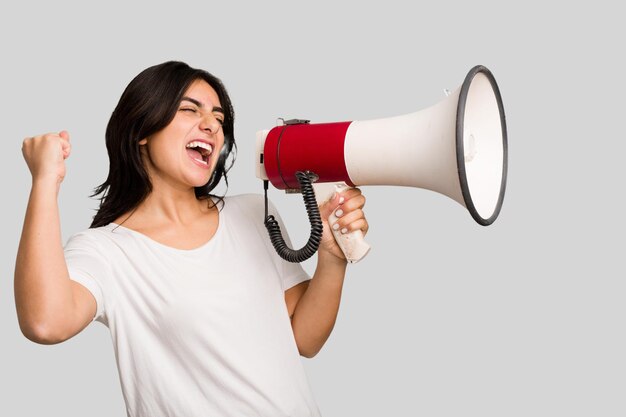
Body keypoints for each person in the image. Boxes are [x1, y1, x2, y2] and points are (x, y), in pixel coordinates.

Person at [14, 61, 368, 417]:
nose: (212, 125)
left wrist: (332, 258)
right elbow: (46, 323)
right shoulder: (106, 251)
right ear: (142, 129)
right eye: (189, 109)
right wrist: (45, 181)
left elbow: (305, 340)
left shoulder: (252, 214)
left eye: (219, 117)